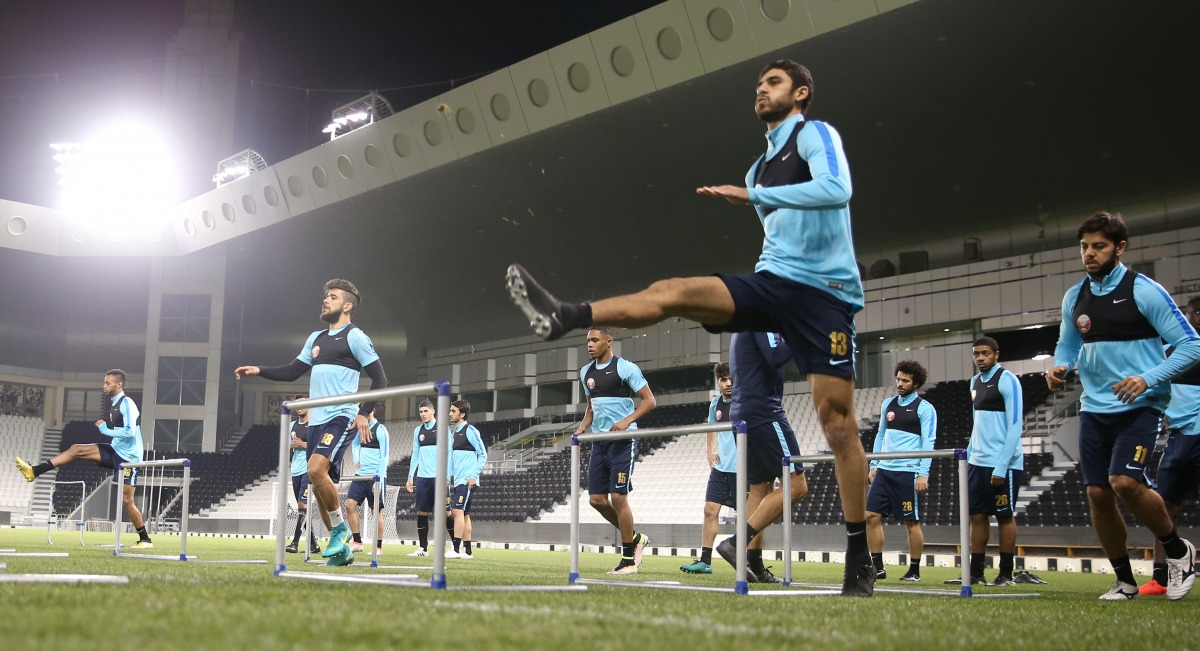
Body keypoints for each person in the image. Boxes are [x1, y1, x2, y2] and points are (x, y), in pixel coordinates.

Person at [506, 58, 873, 595]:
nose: (761, 89)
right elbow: (780, 237)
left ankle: (859, 555)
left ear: (800, 93)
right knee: (675, 291)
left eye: (772, 82)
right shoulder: (757, 168)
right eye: (758, 84)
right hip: (773, 283)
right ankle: (567, 314)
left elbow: (836, 190)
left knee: (838, 425)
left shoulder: (814, 135)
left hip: (826, 295)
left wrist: (756, 196)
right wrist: (756, 213)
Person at [1048, 211, 1198, 601]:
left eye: (1099, 246)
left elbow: (1192, 345)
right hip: (1094, 408)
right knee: (1098, 494)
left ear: (1120, 248)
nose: (1089, 253)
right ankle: (1125, 582)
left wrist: (1148, 378)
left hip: (1141, 404)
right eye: (1084, 246)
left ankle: (1178, 551)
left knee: (1124, 482)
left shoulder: (1145, 291)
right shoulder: (1074, 296)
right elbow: (1068, 344)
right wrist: (1061, 366)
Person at [234, 278, 387, 568]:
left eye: (332, 297)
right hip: (317, 419)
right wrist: (259, 370)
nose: (325, 300)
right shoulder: (316, 338)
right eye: (325, 296)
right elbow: (292, 371)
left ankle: (340, 531)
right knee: (318, 484)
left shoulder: (355, 336)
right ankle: (342, 549)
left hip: (340, 416)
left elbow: (380, 378)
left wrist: (363, 412)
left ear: (347, 306)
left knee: (315, 470)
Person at [16, 369, 154, 549]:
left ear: (119, 384)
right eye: (104, 382)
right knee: (77, 449)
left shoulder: (127, 403)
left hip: (129, 459)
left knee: (127, 501)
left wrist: (105, 429)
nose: (104, 386)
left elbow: (130, 431)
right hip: (115, 450)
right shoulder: (114, 402)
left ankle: (145, 539)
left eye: (107, 383)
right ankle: (35, 471)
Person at [712, 332, 809, 584]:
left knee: (759, 489)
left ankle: (754, 565)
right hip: (765, 413)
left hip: (743, 413)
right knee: (797, 486)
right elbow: (776, 356)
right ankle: (736, 544)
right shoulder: (762, 317)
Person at [943, 337, 1024, 587]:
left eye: (986, 353)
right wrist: (968, 458)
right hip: (977, 463)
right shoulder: (974, 382)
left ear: (996, 355)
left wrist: (1002, 465)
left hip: (1002, 463)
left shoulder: (1008, 380)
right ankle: (975, 573)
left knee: (1004, 516)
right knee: (976, 517)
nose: (980, 358)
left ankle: (1006, 574)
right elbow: (977, 424)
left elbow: (1015, 426)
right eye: (976, 353)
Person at [576, 327, 656, 575]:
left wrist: (626, 421)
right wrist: (582, 426)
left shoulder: (625, 368)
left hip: (623, 440)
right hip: (599, 442)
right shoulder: (585, 372)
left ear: (609, 342)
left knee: (618, 498)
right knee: (596, 500)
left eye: (595, 340)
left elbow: (650, 401)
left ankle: (628, 560)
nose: (590, 344)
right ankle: (636, 538)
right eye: (588, 341)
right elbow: (591, 407)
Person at [1140, 295, 1200, 596]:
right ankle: (1161, 579)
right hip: (1179, 437)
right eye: (1196, 312)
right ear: (1188, 315)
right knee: (1165, 508)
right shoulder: (1167, 353)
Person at [866, 360, 936, 583]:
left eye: (905, 380)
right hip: (884, 471)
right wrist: (874, 465)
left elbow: (928, 442)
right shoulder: (888, 404)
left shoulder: (924, 408)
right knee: (871, 516)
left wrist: (923, 473)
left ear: (916, 383)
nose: (900, 383)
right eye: (898, 379)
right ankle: (877, 568)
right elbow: (880, 435)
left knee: (911, 522)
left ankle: (914, 571)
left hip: (908, 472)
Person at [680, 361, 736, 575]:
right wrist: (709, 451)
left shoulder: (744, 401)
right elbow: (711, 427)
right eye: (724, 379)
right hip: (722, 469)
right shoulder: (715, 404)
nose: (728, 383)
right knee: (709, 510)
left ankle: (752, 559)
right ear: (718, 382)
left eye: (731, 379)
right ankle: (705, 561)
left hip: (743, 469)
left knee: (749, 516)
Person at [405, 399, 453, 556]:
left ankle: (455, 547)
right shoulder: (418, 431)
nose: (423, 414)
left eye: (425, 411)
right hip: (422, 478)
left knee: (446, 513)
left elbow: (449, 453)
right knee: (421, 512)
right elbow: (415, 454)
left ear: (433, 411)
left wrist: (447, 476)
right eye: (420, 411)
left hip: (439, 478)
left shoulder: (442, 428)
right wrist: (410, 476)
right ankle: (423, 549)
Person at [444, 400, 487, 560]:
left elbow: (483, 454)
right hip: (458, 480)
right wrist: (447, 478)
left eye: (453, 411)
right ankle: (468, 552)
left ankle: (456, 549)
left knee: (457, 511)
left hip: (467, 480)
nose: (450, 414)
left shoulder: (471, 431)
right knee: (465, 515)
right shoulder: (454, 433)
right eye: (450, 410)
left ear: (462, 414)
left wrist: (473, 476)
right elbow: (451, 459)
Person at [346, 406, 389, 555]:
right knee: (349, 505)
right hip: (360, 475)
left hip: (375, 477)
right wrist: (356, 459)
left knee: (375, 511)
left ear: (372, 411)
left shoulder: (380, 429)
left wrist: (379, 481)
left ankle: (378, 547)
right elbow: (355, 444)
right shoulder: (360, 428)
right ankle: (357, 542)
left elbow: (385, 456)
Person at [285, 396, 321, 555]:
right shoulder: (291, 426)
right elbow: (284, 445)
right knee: (302, 509)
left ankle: (295, 543)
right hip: (295, 470)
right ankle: (314, 544)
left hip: (309, 469)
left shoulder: (314, 425)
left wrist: (304, 444)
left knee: (302, 505)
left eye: (302, 404)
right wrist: (290, 445)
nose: (299, 407)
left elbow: (320, 446)